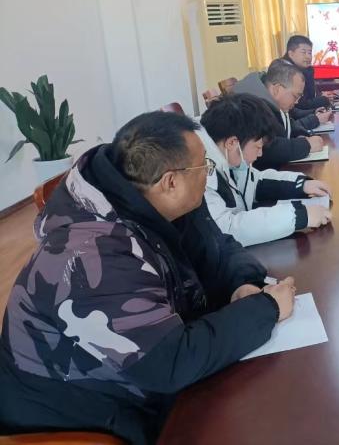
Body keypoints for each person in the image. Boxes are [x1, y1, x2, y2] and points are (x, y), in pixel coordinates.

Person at [0, 112, 297, 444]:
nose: (209, 174)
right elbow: (167, 363)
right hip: (85, 411)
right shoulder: (90, 253)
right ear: (171, 182)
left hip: (147, 377)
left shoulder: (156, 198)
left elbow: (218, 247)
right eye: (205, 167)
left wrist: (242, 284)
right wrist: (265, 309)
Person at [199, 93, 334, 246]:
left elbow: (256, 181)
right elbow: (226, 229)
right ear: (231, 143)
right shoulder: (201, 173)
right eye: (258, 146)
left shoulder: (228, 159)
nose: (260, 154)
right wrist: (298, 216)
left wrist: (301, 184)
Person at [235, 60, 327, 167]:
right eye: (295, 96)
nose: (297, 102)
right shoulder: (249, 105)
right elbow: (265, 148)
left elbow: (288, 123)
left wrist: (300, 134)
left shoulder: (271, 100)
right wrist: (306, 145)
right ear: (277, 89)